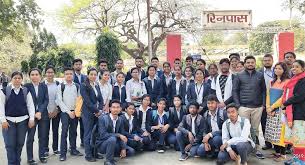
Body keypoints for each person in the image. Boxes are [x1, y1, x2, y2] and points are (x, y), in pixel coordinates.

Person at [232, 55, 266, 159]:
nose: (250, 64)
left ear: (255, 63)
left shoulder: (260, 75)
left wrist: (263, 104)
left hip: (257, 107)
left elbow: (264, 90)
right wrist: (238, 105)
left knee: (255, 129)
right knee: (244, 129)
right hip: (244, 107)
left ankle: (256, 149)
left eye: (252, 62)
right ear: (245, 64)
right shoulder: (239, 75)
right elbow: (235, 91)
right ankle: (245, 150)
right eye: (248, 62)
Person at [0, 71, 35, 165]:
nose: (17, 80)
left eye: (19, 78)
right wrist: (3, 120)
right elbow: (1, 106)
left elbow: (30, 105)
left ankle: (17, 162)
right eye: (15, 78)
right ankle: (12, 163)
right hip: (8, 122)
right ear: (11, 79)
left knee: (20, 144)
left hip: (23, 121)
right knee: (10, 145)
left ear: (21, 80)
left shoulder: (25, 91)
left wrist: (31, 119)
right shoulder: (5, 91)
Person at [264, 62, 289, 161]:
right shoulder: (272, 81)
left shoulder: (288, 81)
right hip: (270, 110)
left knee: (280, 133)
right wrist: (268, 107)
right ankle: (277, 152)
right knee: (273, 132)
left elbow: (284, 97)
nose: (277, 70)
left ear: (284, 70)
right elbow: (268, 95)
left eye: (280, 68)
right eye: (276, 68)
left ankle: (283, 155)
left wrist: (272, 107)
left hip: (280, 110)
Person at [56, 67, 83, 161]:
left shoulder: (77, 86)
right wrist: (68, 112)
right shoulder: (61, 86)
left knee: (74, 132)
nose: (69, 75)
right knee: (64, 132)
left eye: (71, 74)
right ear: (64, 75)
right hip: (65, 113)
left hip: (75, 112)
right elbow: (59, 101)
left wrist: (75, 111)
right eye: (67, 74)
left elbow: (79, 100)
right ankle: (62, 153)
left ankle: (73, 149)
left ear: (73, 75)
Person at [97, 99, 135, 165]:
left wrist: (123, 148)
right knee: (112, 139)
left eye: (118, 107)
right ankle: (108, 161)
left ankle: (112, 153)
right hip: (102, 144)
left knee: (131, 151)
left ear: (120, 109)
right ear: (110, 108)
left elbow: (122, 134)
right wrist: (118, 135)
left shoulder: (120, 119)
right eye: (113, 107)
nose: (116, 109)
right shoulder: (103, 118)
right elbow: (103, 135)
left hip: (114, 143)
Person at [282, 60, 305, 163]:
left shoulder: (303, 80)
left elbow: (299, 96)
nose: (294, 68)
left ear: (303, 69)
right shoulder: (294, 79)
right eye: (293, 66)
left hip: (300, 113)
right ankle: (297, 158)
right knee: (295, 139)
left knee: (300, 139)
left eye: (297, 67)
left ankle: (301, 161)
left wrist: (285, 103)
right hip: (294, 112)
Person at [25, 68, 49, 164]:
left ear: (40, 76)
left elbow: (46, 100)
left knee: (43, 136)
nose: (34, 76)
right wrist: (34, 113)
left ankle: (42, 155)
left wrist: (39, 111)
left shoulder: (44, 86)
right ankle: (30, 158)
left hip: (43, 115)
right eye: (32, 74)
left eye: (36, 74)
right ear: (29, 76)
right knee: (30, 137)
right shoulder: (26, 87)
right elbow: (26, 102)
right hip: (31, 116)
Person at [81, 68, 104, 162]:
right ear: (88, 75)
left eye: (95, 74)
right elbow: (87, 101)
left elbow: (101, 99)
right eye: (91, 74)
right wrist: (96, 110)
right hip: (87, 113)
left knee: (96, 134)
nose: (93, 76)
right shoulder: (84, 85)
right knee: (88, 134)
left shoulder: (96, 85)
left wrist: (100, 109)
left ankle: (95, 153)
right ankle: (88, 155)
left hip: (97, 113)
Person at [258, 54, 274, 151]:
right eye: (265, 60)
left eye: (269, 60)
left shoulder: (277, 70)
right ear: (263, 62)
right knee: (264, 122)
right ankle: (267, 143)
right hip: (263, 101)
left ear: (272, 61)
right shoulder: (259, 72)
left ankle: (280, 145)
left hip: (276, 100)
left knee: (278, 123)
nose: (267, 62)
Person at [44, 66, 61, 156]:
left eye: (51, 72)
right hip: (45, 112)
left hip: (56, 112)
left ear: (54, 73)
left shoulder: (58, 84)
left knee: (55, 130)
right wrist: (46, 111)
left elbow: (59, 98)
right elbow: (41, 100)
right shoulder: (42, 84)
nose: (50, 74)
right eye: (48, 72)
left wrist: (56, 110)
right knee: (45, 132)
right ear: (45, 73)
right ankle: (45, 150)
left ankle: (55, 149)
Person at [73, 58, 87, 148]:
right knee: (73, 127)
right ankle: (73, 145)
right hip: (73, 104)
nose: (78, 66)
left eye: (79, 64)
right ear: (73, 66)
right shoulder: (70, 75)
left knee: (83, 125)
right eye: (76, 64)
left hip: (84, 104)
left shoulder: (85, 77)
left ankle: (83, 142)